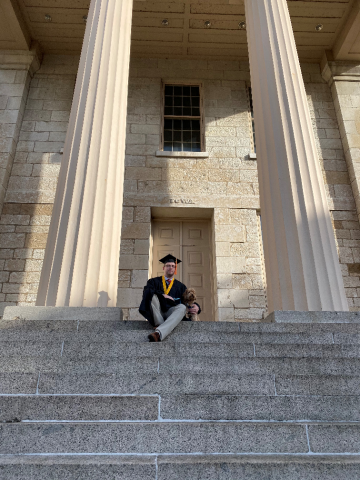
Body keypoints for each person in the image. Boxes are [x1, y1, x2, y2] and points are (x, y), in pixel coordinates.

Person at [139, 254, 201, 342]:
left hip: (171, 313)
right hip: (157, 312)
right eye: (168, 265)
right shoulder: (153, 281)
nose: (170, 268)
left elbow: (188, 299)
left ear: (175, 269)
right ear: (163, 268)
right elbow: (147, 291)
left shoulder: (180, 286)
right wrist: (162, 295)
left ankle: (158, 332)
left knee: (182, 307)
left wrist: (197, 306)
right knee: (151, 294)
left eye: (173, 266)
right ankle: (161, 325)